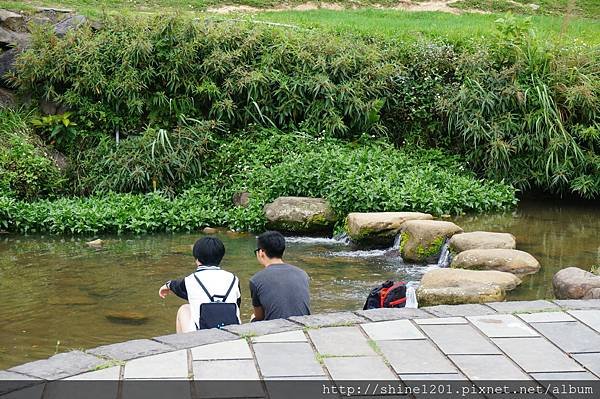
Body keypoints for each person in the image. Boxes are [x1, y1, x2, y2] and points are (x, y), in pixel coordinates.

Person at [158, 236, 241, 332]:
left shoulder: (191, 280)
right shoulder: (234, 279)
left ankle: (183, 345)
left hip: (203, 336)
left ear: (197, 259)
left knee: (184, 309)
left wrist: (167, 285)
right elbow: (237, 304)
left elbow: (176, 286)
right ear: (221, 257)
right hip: (233, 333)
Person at [250, 231, 310, 321]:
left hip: (277, 330)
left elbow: (259, 317)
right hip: (303, 326)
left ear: (261, 252)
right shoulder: (302, 274)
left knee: (253, 318)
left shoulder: (256, 280)